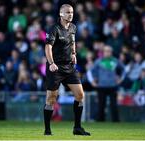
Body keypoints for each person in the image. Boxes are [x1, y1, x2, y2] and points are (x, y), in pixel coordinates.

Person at [43, 4, 90, 136]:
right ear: (61, 14)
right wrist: (51, 63)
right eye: (68, 12)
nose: (71, 14)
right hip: (55, 67)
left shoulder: (73, 27)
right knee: (51, 98)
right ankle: (47, 130)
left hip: (69, 67)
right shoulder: (54, 28)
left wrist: (74, 53)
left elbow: (73, 41)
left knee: (80, 95)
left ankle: (77, 128)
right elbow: (48, 47)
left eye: (72, 12)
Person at [87, 45, 124, 121]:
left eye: (109, 51)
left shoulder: (115, 61)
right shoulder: (98, 61)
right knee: (101, 106)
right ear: (103, 52)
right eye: (106, 51)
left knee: (114, 105)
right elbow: (90, 71)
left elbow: (124, 70)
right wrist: (92, 81)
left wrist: (120, 79)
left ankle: (116, 122)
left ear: (111, 52)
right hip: (101, 86)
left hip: (113, 86)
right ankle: (100, 122)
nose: (107, 53)